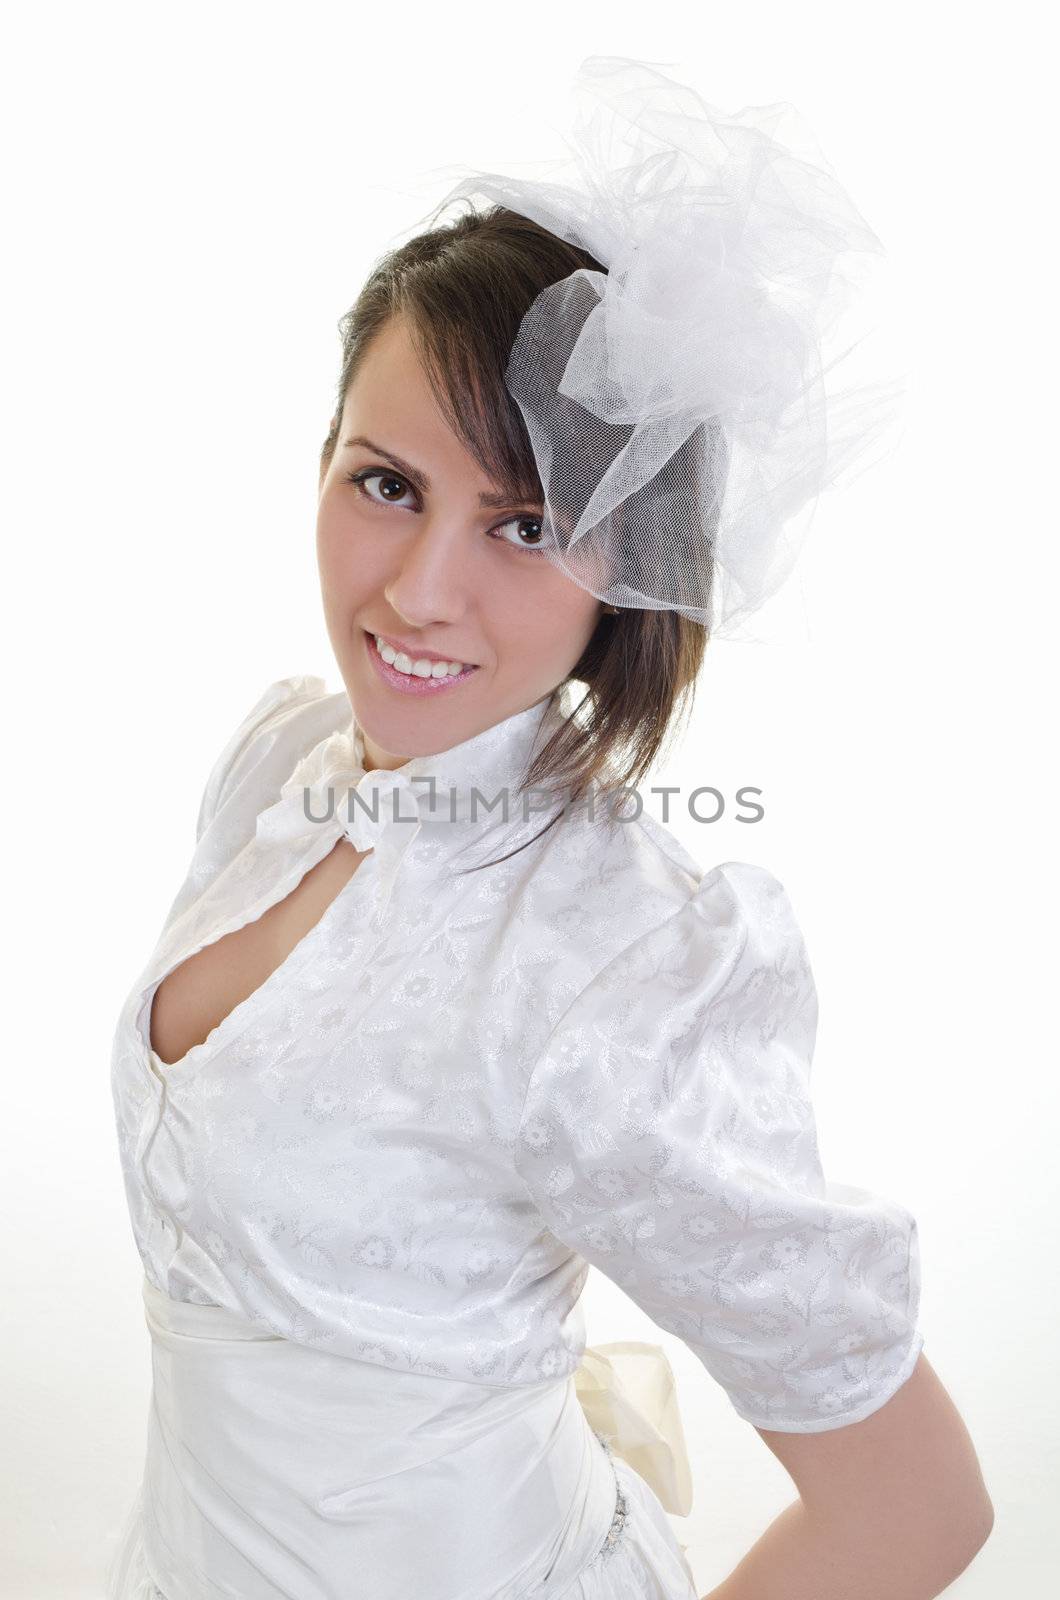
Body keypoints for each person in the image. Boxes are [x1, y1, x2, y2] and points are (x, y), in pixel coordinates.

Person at [107, 58, 993, 1600]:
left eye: (527, 524)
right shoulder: (280, 761)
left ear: (632, 568)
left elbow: (918, 1512)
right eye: (386, 483)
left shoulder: (614, 971)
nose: (420, 592)